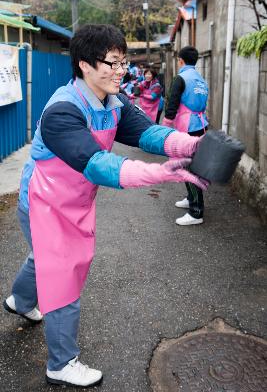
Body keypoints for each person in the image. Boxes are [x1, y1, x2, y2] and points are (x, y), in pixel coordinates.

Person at [3, 25, 208, 388]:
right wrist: (160, 174)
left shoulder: (115, 103)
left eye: (123, 62)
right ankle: (61, 364)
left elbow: (148, 133)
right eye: (112, 63)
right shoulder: (62, 111)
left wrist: (191, 147)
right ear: (84, 64)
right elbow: (97, 163)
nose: (121, 71)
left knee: (42, 259)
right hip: (43, 203)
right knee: (63, 275)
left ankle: (20, 301)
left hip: (75, 200)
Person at [162, 46, 209, 226]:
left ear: (180, 60)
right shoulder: (201, 80)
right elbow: (203, 106)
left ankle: (196, 212)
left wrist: (165, 127)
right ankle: (191, 198)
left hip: (185, 127)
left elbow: (171, 104)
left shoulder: (181, 78)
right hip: (200, 126)